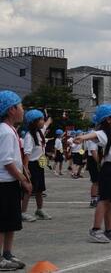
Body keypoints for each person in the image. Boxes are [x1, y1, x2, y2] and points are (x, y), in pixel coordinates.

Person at [75, 100, 111, 243]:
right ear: (109, 120)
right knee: (104, 200)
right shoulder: (105, 134)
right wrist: (81, 138)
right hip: (109, 169)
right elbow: (93, 135)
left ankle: (109, 230)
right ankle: (96, 229)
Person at [0, 90, 32, 271]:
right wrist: (23, 180)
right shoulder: (5, 132)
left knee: (11, 221)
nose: (22, 109)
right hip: (4, 183)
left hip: (10, 182)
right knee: (3, 222)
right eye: (20, 106)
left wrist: (24, 173)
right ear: (11, 110)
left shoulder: (11, 130)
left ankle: (7, 253)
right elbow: (7, 162)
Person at [21, 110, 52, 221]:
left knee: (40, 189)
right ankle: (23, 212)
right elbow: (27, 154)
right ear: (34, 122)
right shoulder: (29, 136)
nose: (43, 121)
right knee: (28, 190)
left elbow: (48, 123)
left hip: (39, 165)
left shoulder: (40, 132)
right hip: (32, 165)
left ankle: (39, 210)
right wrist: (26, 168)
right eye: (41, 119)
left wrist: (49, 117)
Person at [86, 125, 100, 208]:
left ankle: (97, 198)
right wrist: (99, 163)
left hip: (95, 158)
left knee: (98, 181)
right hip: (93, 159)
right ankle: (93, 200)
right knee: (96, 181)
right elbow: (93, 150)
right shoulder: (93, 134)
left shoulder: (95, 133)